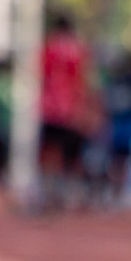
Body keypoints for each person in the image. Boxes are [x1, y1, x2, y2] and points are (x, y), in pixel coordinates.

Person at [37, 14, 91, 212]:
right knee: (71, 155)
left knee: (49, 152)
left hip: (50, 109)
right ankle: (68, 195)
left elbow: (42, 76)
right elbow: (83, 80)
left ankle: (49, 193)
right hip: (71, 110)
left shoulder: (49, 47)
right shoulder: (79, 50)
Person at [101, 52, 131, 207]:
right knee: (120, 159)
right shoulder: (128, 84)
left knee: (122, 159)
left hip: (125, 125)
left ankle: (119, 192)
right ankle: (116, 192)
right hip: (123, 125)